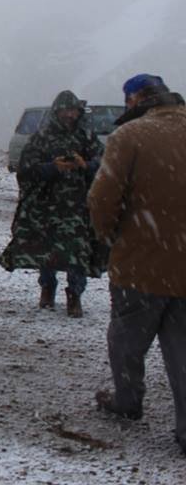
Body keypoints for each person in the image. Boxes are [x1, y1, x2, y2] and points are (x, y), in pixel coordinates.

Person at [87, 73, 186, 454]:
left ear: (134, 100)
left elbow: (101, 200)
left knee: (127, 340)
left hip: (141, 265)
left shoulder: (129, 136)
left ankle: (127, 402)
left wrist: (111, 238)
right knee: (182, 350)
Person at [0, 90, 104, 317]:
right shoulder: (41, 137)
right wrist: (52, 167)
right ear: (57, 112)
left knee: (78, 251)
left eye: (73, 110)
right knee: (47, 249)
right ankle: (47, 287)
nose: (69, 115)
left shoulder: (86, 136)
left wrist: (85, 165)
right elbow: (26, 169)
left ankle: (75, 295)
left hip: (78, 205)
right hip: (46, 206)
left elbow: (102, 162)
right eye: (65, 110)